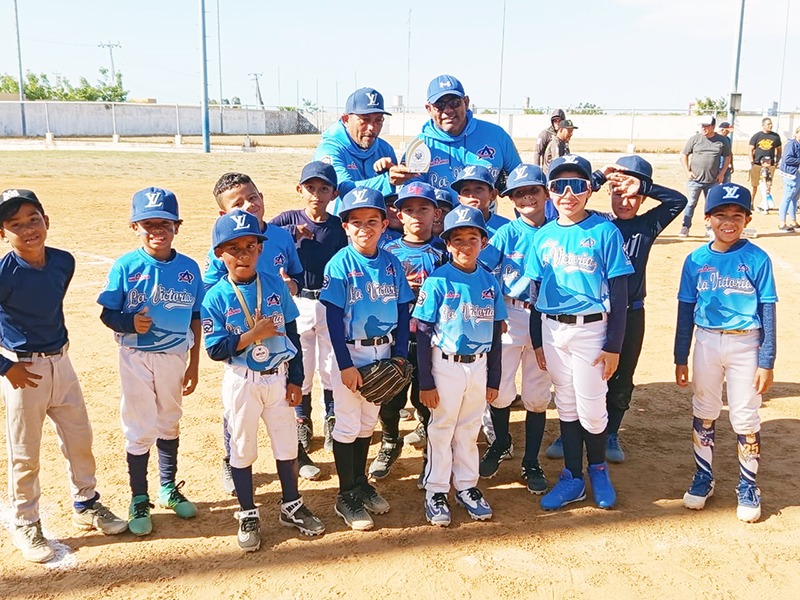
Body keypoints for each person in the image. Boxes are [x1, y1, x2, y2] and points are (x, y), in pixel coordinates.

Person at [0, 189, 127, 563]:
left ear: (47, 221)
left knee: (79, 439)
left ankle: (86, 503)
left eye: (33, 219)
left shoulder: (62, 262)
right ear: (3, 234)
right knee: (25, 453)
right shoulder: (4, 273)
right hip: (23, 371)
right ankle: (26, 521)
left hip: (62, 362)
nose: (28, 229)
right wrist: (7, 367)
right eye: (15, 224)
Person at [547, 156, 687, 463]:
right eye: (618, 193)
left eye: (633, 196)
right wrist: (597, 178)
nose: (625, 201)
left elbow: (679, 201)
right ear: (608, 192)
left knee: (622, 375)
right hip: (596, 314)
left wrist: (643, 186)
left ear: (643, 198)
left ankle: (611, 431)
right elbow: (560, 205)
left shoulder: (647, 224)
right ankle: (571, 430)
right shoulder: (597, 223)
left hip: (632, 313)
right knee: (581, 374)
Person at [201, 209, 325, 552]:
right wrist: (251, 335)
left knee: (286, 445)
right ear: (219, 253)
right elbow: (215, 349)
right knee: (242, 448)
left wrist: (296, 379)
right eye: (234, 248)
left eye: (250, 247)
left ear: (260, 249)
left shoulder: (273, 284)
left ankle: (291, 505)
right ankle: (247, 513)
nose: (243, 255)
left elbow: (292, 335)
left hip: (278, 377)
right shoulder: (214, 297)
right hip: (242, 380)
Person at [526, 155, 634, 511]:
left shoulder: (604, 231)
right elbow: (535, 292)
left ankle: (598, 469)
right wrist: (538, 340)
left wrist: (614, 345)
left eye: (577, 185)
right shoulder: (544, 235)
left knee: (592, 405)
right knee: (567, 403)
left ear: (589, 189)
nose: (568, 194)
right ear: (549, 192)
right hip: (552, 329)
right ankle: (572, 476)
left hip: (591, 329)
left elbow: (620, 293)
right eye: (559, 186)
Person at [97, 187, 203, 536]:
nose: (157, 231)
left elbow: (196, 317)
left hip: (175, 355)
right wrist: (129, 323)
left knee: (170, 419)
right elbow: (107, 313)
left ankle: (168, 487)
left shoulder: (189, 268)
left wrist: (194, 364)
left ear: (177, 226)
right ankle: (139, 496)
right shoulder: (126, 266)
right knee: (140, 425)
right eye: (148, 224)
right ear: (135, 227)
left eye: (165, 224)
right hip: (136, 356)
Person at [674, 183, 777, 523]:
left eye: (737, 215)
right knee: (705, 409)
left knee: (745, 415)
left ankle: (748, 484)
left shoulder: (757, 258)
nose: (728, 222)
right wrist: (680, 356)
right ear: (707, 219)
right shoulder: (696, 260)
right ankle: (703, 476)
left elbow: (767, 310)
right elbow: (685, 310)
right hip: (706, 340)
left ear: (747, 219)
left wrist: (767, 361)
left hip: (746, 343)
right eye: (720, 215)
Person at [320, 187, 414, 531]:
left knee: (365, 424)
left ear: (384, 224)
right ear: (345, 226)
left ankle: (360, 483)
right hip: (351, 351)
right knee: (346, 425)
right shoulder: (340, 264)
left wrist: (400, 355)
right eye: (356, 222)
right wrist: (345, 365)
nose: (364, 228)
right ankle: (345, 494)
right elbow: (332, 319)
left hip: (383, 350)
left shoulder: (391, 263)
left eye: (372, 221)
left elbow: (402, 310)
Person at [413, 205, 506, 526]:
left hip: (478, 365)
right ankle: (436, 490)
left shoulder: (489, 282)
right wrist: (426, 381)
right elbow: (423, 333)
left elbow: (495, 334)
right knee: (442, 427)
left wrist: (494, 378)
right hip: (446, 364)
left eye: (472, 238)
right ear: (448, 244)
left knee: (469, 428)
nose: (465, 245)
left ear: (484, 242)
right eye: (458, 240)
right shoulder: (438, 280)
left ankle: (466, 485)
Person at [478, 164, 552, 494]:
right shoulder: (507, 232)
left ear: (546, 193)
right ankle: (501, 442)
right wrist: (495, 311)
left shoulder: (558, 231)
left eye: (532, 191)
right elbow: (482, 268)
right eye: (518, 194)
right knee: (501, 387)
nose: (526, 198)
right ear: (510, 200)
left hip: (546, 318)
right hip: (510, 312)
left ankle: (531, 460)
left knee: (537, 394)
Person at [371, 182, 448, 482]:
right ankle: (390, 441)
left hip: (431, 338)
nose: (416, 215)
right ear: (398, 214)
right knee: (390, 396)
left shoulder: (444, 251)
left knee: (425, 397)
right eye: (409, 209)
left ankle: (430, 450)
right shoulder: (387, 251)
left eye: (423, 209)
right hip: (395, 336)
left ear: (436, 213)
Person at [270, 162, 348, 453]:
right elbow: (263, 236)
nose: (316, 194)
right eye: (310, 187)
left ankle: (331, 417)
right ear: (299, 189)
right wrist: (292, 232)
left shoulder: (337, 226)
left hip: (329, 302)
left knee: (331, 364)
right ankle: (302, 419)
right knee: (301, 362)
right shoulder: (288, 219)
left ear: (334, 193)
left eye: (324, 188)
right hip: (298, 300)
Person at [313, 87, 415, 213]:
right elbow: (345, 190)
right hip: (339, 223)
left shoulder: (385, 149)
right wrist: (387, 180)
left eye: (378, 120)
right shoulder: (330, 149)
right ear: (346, 120)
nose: (372, 127)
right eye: (365, 120)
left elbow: (392, 200)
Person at [413, 74, 521, 191]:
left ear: (466, 102)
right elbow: (410, 192)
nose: (448, 110)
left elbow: (521, 181)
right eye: (439, 105)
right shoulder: (419, 146)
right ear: (429, 109)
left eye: (454, 103)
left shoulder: (497, 135)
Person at [678, 115, 732, 237]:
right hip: (695, 180)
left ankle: (709, 228)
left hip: (713, 180)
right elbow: (684, 155)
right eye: (702, 126)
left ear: (713, 126)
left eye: (706, 126)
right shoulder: (694, 139)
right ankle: (685, 226)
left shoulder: (722, 141)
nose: (704, 128)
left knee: (711, 205)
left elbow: (727, 157)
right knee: (691, 203)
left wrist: (722, 173)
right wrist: (687, 171)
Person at [450, 164, 510, 236]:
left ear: (493, 194)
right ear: (460, 199)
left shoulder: (507, 228)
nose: (471, 195)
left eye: (478, 189)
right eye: (466, 190)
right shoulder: (451, 228)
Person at [748, 117, 782, 204]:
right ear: (763, 125)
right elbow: (750, 149)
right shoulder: (756, 136)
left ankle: (765, 203)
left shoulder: (775, 137)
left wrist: (777, 161)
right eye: (768, 124)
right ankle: (751, 202)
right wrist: (752, 162)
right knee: (754, 185)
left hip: (770, 164)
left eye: (771, 124)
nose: (770, 125)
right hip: (757, 164)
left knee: (768, 184)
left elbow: (779, 150)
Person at [777, 126, 800, 232]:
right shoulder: (791, 144)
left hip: (797, 174)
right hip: (790, 174)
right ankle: (781, 222)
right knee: (787, 197)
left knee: (794, 198)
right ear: (796, 133)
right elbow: (787, 159)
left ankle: (792, 220)